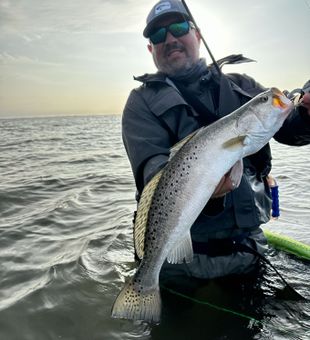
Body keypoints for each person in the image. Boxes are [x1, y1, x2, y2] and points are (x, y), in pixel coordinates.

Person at [122, 0, 310, 284]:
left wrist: (306, 113)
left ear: (197, 34)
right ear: (150, 49)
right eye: (158, 35)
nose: (170, 39)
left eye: (178, 27)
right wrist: (208, 192)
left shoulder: (240, 85)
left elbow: (289, 130)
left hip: (248, 250)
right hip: (179, 262)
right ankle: (145, 287)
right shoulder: (141, 103)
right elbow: (153, 172)